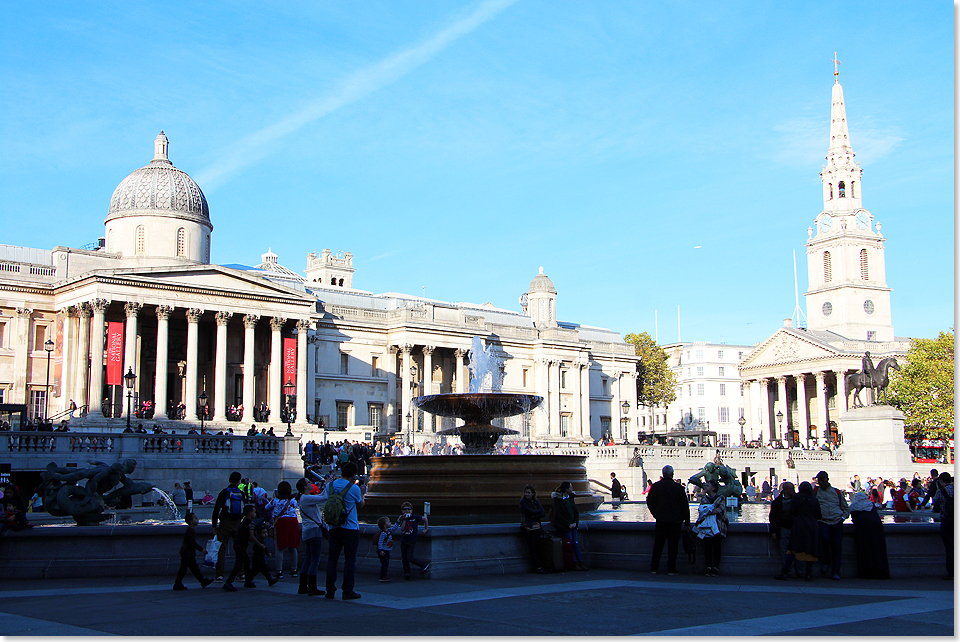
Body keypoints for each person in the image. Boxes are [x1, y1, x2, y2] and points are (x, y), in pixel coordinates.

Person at [324, 460, 366, 600]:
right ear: (354, 474)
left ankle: (330, 590)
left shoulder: (330, 486)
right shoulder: (353, 488)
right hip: (350, 528)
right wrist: (363, 493)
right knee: (349, 561)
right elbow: (360, 505)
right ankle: (347, 591)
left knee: (332, 560)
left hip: (333, 527)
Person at [647, 465, 690, 576]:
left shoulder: (656, 486)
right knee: (673, 545)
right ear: (672, 474)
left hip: (661, 519)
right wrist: (687, 522)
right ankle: (671, 568)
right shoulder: (679, 488)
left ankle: (654, 567)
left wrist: (655, 513)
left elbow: (650, 502)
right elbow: (685, 506)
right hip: (675, 520)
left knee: (658, 544)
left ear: (663, 474)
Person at [814, 471, 849, 580]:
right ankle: (826, 561)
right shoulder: (815, 492)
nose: (820, 483)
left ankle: (836, 571)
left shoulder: (836, 492)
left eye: (822, 480)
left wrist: (843, 518)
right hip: (823, 521)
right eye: (819, 481)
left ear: (827, 480)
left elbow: (846, 508)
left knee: (837, 546)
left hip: (836, 521)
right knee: (825, 540)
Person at [210, 471, 246, 580]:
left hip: (225, 523)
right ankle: (242, 572)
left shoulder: (224, 492)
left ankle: (220, 573)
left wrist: (214, 524)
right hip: (237, 523)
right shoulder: (241, 493)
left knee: (222, 548)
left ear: (229, 480)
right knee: (239, 549)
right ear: (239, 481)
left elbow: (216, 509)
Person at [223, 505, 267, 591]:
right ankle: (228, 582)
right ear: (250, 513)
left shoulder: (244, 522)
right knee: (239, 564)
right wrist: (260, 544)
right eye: (254, 512)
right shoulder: (250, 523)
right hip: (241, 546)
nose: (255, 514)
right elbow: (252, 536)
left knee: (246, 562)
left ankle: (248, 581)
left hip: (239, 545)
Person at [296, 477, 327, 596]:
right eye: (309, 482)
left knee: (308, 558)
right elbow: (324, 498)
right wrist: (328, 485)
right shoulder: (306, 498)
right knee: (315, 559)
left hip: (306, 531)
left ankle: (303, 585)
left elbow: (320, 497)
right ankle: (312, 586)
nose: (311, 483)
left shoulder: (304, 498)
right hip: (314, 530)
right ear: (304, 486)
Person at [848, 492, 890, 579]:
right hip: (877, 528)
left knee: (866, 550)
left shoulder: (854, 506)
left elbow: (854, 519)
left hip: (863, 529)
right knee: (878, 550)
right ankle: (882, 571)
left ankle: (868, 572)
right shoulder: (870, 504)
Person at [785, 481, 822, 581]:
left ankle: (784, 572)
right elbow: (819, 515)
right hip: (812, 526)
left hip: (799, 525)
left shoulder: (796, 498)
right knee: (811, 550)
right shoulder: (814, 500)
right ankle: (808, 573)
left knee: (792, 549)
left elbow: (792, 511)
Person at [692, 480, 728, 577]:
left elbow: (719, 510)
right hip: (707, 527)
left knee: (717, 547)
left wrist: (707, 510)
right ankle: (708, 567)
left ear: (713, 488)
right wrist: (710, 510)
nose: (705, 486)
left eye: (707, 485)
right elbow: (702, 510)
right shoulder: (704, 499)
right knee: (707, 547)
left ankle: (715, 567)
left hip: (718, 526)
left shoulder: (720, 498)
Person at [266, 481, 300, 579]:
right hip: (293, 522)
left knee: (279, 547)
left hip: (281, 523)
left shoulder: (275, 500)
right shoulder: (293, 500)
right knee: (293, 547)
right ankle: (294, 570)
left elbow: (266, 507)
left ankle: (279, 571)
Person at [551, 481, 587, 571]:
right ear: (566, 489)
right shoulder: (558, 500)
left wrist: (575, 523)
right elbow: (558, 514)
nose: (572, 489)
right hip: (566, 526)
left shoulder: (571, 498)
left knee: (575, 543)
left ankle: (580, 562)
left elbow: (575, 512)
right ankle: (575, 563)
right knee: (571, 544)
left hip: (573, 525)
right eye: (571, 487)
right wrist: (568, 524)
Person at [172, 512, 213, 590]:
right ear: (191, 521)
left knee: (193, 568)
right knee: (185, 568)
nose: (197, 520)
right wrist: (202, 549)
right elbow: (192, 543)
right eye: (195, 518)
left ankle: (202, 581)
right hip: (187, 553)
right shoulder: (190, 531)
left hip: (188, 553)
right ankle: (177, 583)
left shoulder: (190, 530)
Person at [770, 482, 802, 579]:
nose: (793, 491)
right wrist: (774, 531)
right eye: (791, 489)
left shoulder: (797, 500)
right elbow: (773, 517)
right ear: (786, 489)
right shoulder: (778, 502)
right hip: (783, 528)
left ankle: (798, 571)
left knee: (797, 550)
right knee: (785, 551)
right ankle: (791, 571)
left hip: (795, 528)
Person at [519, 485, 548, 574]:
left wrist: (534, 515)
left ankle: (541, 565)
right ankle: (537, 567)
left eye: (529, 493)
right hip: (528, 527)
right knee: (533, 548)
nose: (527, 494)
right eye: (526, 492)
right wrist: (537, 513)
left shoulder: (535, 501)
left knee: (538, 547)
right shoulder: (523, 502)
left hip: (536, 526)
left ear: (533, 493)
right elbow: (531, 511)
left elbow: (543, 512)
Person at [397, 501, 431, 579]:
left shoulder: (414, 517)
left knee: (409, 557)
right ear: (402, 511)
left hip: (412, 540)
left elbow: (425, 519)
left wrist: (426, 529)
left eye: (409, 509)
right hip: (404, 540)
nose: (407, 510)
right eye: (405, 509)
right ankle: (407, 573)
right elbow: (402, 529)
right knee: (404, 559)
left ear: (411, 511)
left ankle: (423, 565)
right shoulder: (402, 519)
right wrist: (405, 520)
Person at [932, 472, 953, 580]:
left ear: (941, 481)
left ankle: (951, 572)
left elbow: (935, 502)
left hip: (947, 521)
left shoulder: (941, 491)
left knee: (949, 548)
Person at [376, 516, 402, 582]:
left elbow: (394, 528)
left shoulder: (389, 531)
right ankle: (383, 576)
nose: (390, 523)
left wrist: (398, 520)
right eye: (388, 522)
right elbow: (380, 542)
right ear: (385, 525)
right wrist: (381, 550)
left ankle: (384, 575)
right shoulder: (383, 533)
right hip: (384, 551)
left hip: (387, 550)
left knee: (386, 563)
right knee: (384, 564)